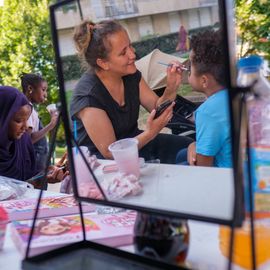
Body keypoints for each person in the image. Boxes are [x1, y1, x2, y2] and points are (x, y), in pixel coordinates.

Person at [70, 20, 192, 164]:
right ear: (103, 63)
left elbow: (157, 109)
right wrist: (150, 132)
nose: (132, 54)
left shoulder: (130, 74)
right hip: (103, 164)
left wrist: (171, 87)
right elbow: (109, 153)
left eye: (130, 46)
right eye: (123, 52)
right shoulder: (88, 97)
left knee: (190, 146)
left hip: (137, 143)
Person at [176, 30, 232, 168]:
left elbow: (203, 166)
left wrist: (193, 146)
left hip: (226, 179)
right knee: (181, 154)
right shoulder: (236, 92)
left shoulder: (207, 113)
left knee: (182, 161)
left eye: (190, 66)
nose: (186, 69)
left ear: (204, 81)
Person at [0, 86, 65, 187]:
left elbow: (29, 179)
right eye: (18, 120)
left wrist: (43, 175)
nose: (25, 127)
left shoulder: (23, 143)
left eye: (27, 120)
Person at [20, 73, 58, 171]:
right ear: (30, 88)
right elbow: (28, 140)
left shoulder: (30, 108)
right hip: (33, 166)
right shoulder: (26, 109)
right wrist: (51, 124)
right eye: (43, 89)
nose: (46, 94)